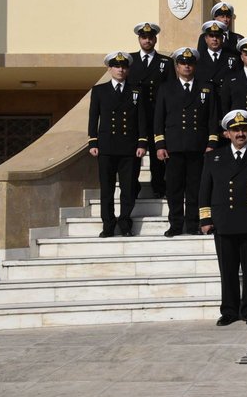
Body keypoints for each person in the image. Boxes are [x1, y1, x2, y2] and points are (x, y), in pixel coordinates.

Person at [199, 110, 247, 327]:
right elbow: (205, 189)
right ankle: (229, 311)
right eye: (235, 130)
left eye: (244, 129)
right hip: (224, 220)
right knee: (228, 269)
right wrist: (206, 219)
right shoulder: (213, 157)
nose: (240, 133)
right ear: (227, 134)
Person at [153, 47, 220, 237]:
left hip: (198, 146)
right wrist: (160, 145)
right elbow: (159, 119)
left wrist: (212, 143)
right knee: (174, 188)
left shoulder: (206, 88)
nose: (186, 66)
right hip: (174, 146)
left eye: (190, 63)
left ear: (195, 65)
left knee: (194, 188)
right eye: (182, 63)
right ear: (177, 66)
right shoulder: (166, 88)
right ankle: (175, 224)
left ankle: (192, 224)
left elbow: (212, 118)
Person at [88, 52, 148, 238]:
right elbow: (93, 117)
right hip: (106, 146)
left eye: (123, 67)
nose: (120, 69)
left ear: (128, 69)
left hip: (129, 147)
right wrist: (93, 141)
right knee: (107, 188)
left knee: (128, 188)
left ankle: (124, 222)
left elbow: (142, 119)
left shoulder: (136, 91)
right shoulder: (99, 90)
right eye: (116, 66)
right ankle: (108, 224)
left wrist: (142, 142)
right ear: (110, 69)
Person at [127, 21, 174, 199]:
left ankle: (159, 186)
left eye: (150, 37)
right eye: (144, 37)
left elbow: (170, 90)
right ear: (139, 39)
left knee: (158, 153)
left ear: (155, 39)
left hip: (157, 113)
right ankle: (133, 186)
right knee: (134, 153)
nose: (147, 40)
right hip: (135, 114)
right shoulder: (130, 61)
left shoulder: (166, 62)